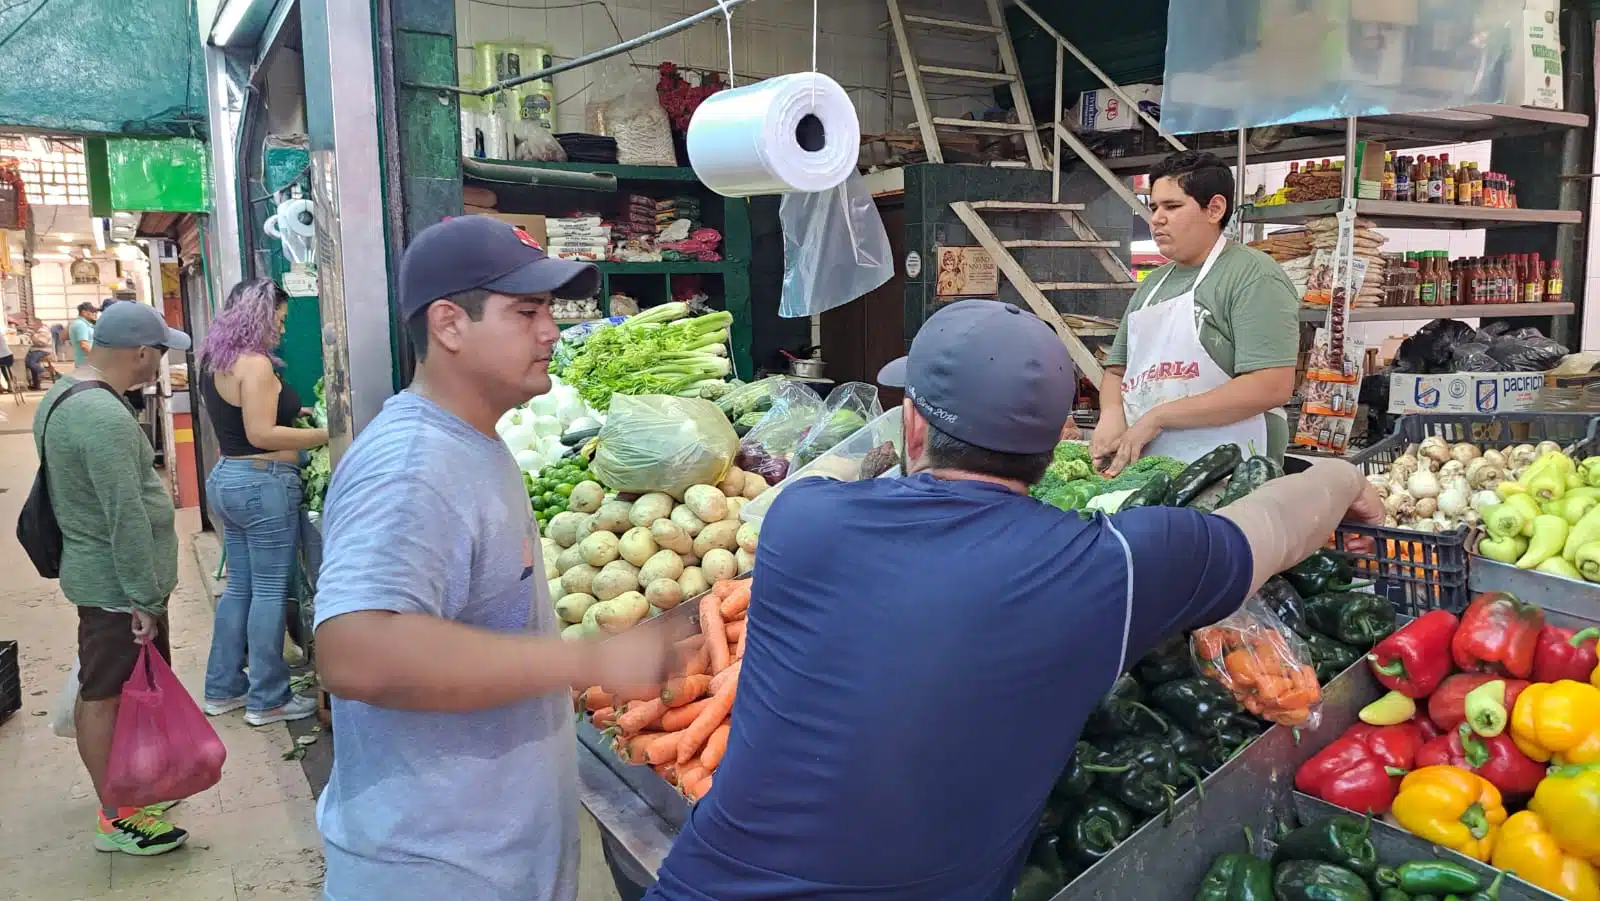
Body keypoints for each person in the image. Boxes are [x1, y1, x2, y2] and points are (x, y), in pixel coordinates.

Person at [644, 299, 1381, 901]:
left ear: (914, 425)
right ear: (1061, 437)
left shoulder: (799, 524)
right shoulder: (1111, 566)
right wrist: (1347, 480)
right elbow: (1278, 525)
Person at [311, 215, 677, 901]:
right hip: (434, 871)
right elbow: (353, 651)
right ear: (449, 324)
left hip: (486, 860)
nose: (552, 332)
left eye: (550, 311)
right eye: (527, 312)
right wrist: (586, 660)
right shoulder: (414, 465)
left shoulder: (473, 443)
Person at [32, 301, 194, 856]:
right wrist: (143, 599)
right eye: (160, 353)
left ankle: (131, 789)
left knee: (115, 691)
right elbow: (123, 515)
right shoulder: (102, 419)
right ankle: (118, 816)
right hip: (114, 586)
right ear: (142, 353)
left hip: (100, 575)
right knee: (105, 696)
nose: (159, 365)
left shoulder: (62, 395)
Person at [1092, 150, 1300, 476]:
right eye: (1154, 207)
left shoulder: (1254, 275)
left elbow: (1271, 385)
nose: (1157, 218)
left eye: (1172, 206)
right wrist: (1111, 414)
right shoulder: (1153, 285)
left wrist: (1159, 417)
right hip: (1148, 466)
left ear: (1214, 208)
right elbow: (1116, 371)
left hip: (1234, 467)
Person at [197, 278, 329, 725]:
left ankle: (223, 688)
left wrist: (299, 414)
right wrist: (331, 434)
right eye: (280, 317)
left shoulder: (217, 360)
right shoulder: (255, 364)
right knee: (269, 592)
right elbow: (261, 433)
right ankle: (268, 698)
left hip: (229, 481)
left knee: (241, 589)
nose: (282, 327)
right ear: (259, 314)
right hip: (262, 484)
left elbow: (241, 422)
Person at [25, 318, 55, 389]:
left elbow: (42, 342)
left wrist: (33, 335)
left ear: (38, 324)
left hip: (43, 350)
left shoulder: (43, 331)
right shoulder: (37, 331)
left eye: (32, 324)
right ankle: (36, 384)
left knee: (30, 362)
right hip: (36, 350)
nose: (30, 325)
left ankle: (44, 372)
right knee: (30, 362)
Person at [68, 301, 98, 369]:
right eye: (92, 312)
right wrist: (96, 358)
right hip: (86, 363)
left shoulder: (82, 324)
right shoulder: (81, 325)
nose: (95, 314)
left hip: (85, 362)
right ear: (84, 312)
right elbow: (84, 345)